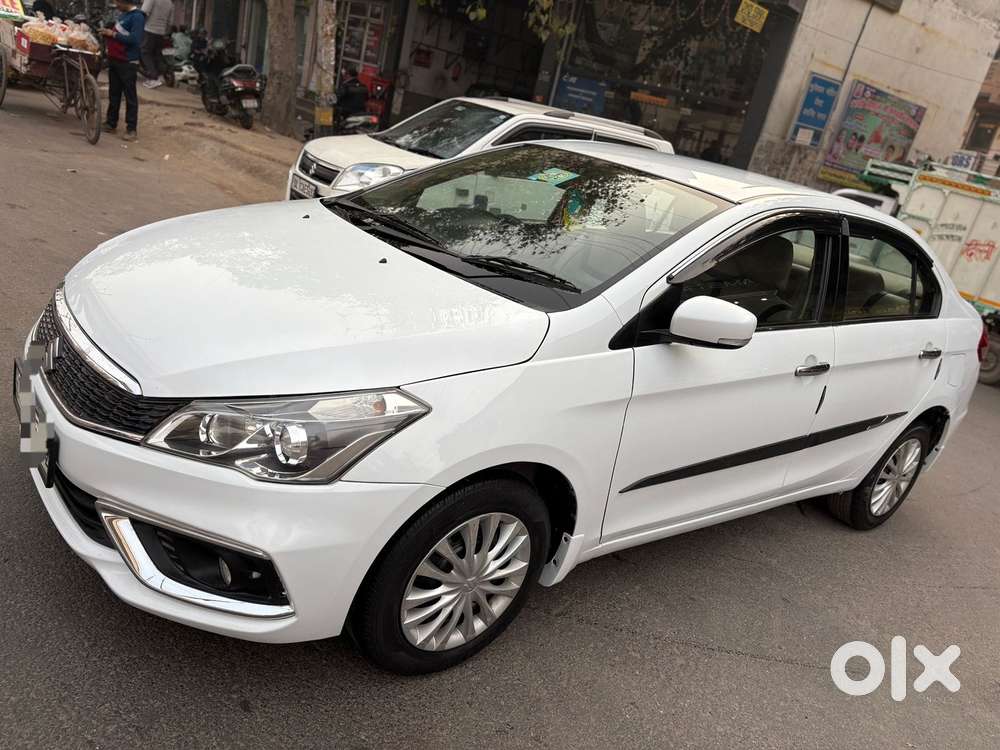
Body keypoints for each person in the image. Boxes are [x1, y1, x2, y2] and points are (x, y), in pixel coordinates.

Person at [102, 0, 145, 141]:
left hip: (127, 61)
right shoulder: (123, 15)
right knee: (114, 93)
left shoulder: (137, 17)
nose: (116, 5)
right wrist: (107, 34)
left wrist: (113, 34)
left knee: (130, 96)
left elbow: (134, 39)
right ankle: (111, 123)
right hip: (115, 59)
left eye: (117, 2)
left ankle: (131, 129)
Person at [140, 0, 174, 88]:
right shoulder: (170, 3)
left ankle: (153, 78)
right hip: (161, 33)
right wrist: (164, 32)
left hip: (149, 30)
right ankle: (160, 76)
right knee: (157, 55)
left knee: (145, 53)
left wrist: (139, 26)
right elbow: (170, 22)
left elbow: (143, 13)